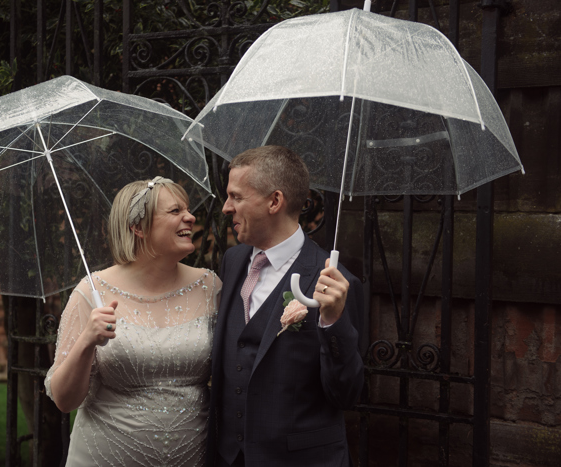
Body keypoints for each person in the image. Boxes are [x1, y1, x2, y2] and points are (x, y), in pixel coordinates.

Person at [45, 176, 222, 467]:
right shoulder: (91, 292)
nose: (190, 217)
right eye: (175, 211)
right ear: (138, 227)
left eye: (187, 209)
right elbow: (65, 401)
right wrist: (87, 340)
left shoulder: (210, 287)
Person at [208, 146, 364, 467]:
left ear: (274, 202)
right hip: (227, 457)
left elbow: (346, 395)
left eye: (236, 196)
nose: (226, 208)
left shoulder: (336, 283)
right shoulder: (234, 261)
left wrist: (332, 322)